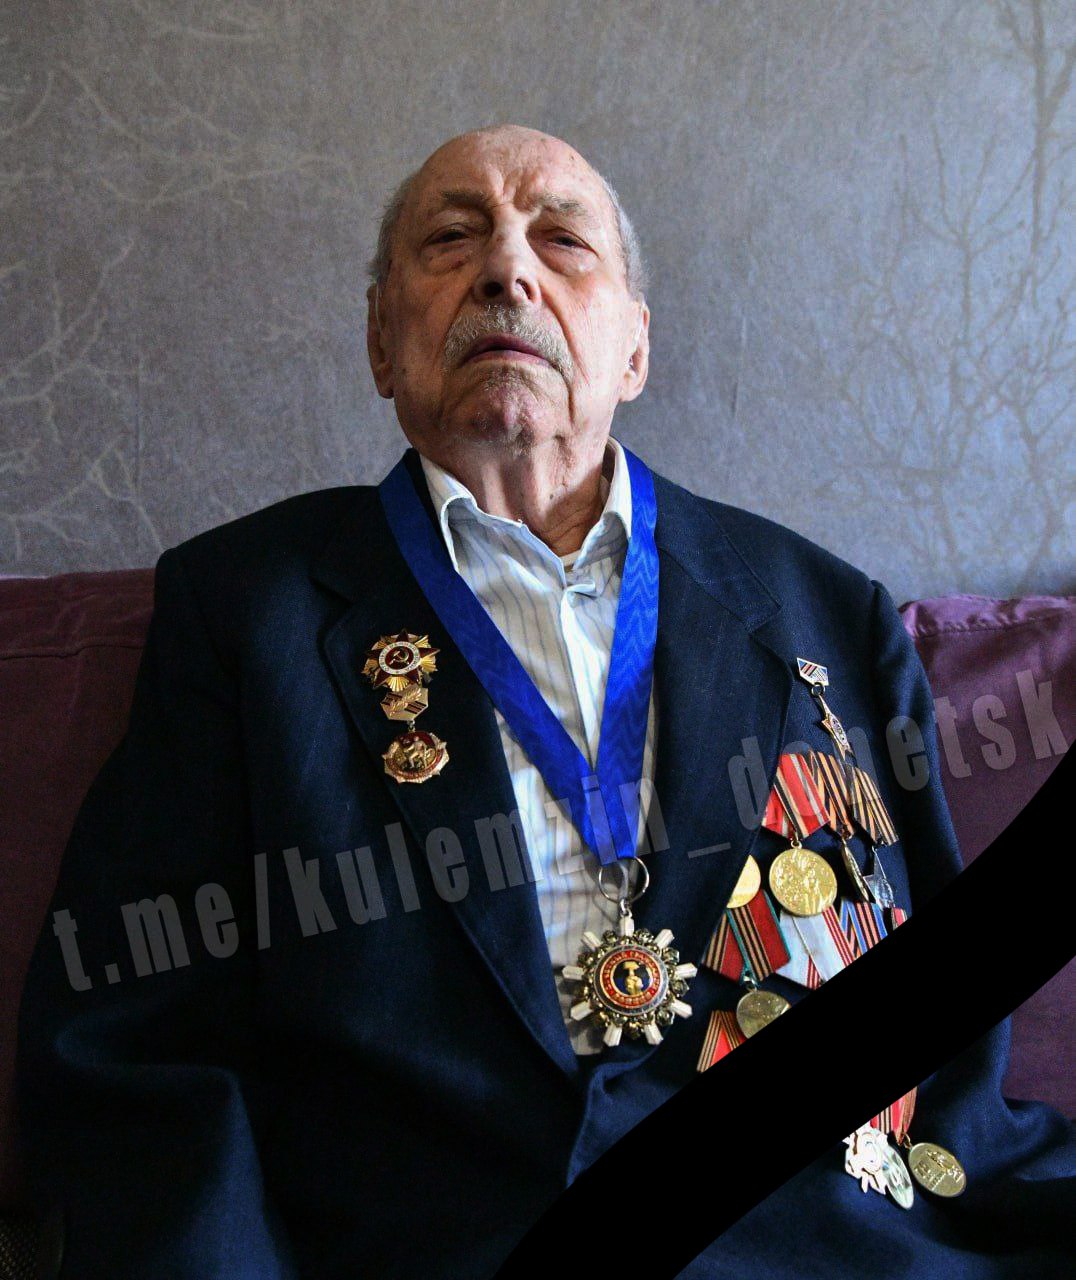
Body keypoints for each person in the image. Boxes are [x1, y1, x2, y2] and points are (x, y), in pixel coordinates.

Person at [15, 124, 1074, 1278]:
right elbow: (134, 1030)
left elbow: (950, 1064)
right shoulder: (245, 608)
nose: (506, 269)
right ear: (381, 341)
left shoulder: (822, 612)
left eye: (561, 240)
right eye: (451, 237)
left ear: (634, 347)